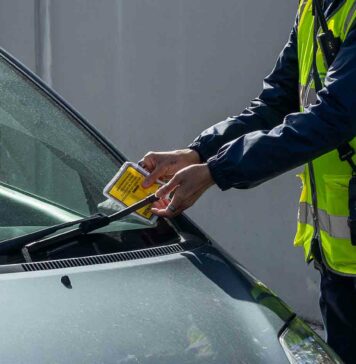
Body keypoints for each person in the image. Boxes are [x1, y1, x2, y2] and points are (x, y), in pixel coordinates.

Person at [139, 0, 356, 362]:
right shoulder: (314, 7)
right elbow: (274, 103)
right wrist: (199, 154)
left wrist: (216, 171)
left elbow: (335, 116)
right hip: (339, 261)